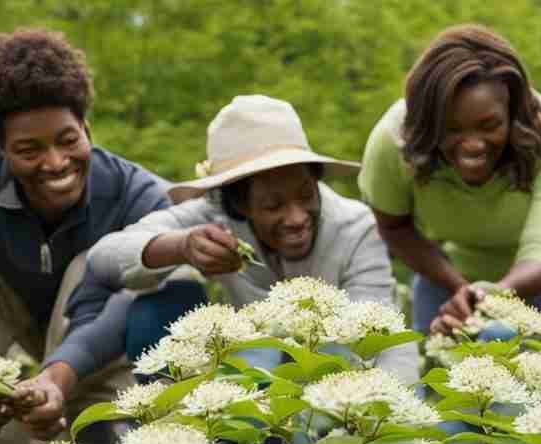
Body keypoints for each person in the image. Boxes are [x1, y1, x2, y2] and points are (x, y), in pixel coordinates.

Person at [0, 29, 201, 444]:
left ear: (87, 129)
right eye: (28, 149)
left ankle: (91, 426)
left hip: (97, 339)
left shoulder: (138, 194)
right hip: (3, 331)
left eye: (68, 140)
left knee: (105, 260)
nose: (55, 163)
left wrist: (57, 378)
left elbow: (123, 307)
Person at [88, 95, 419, 382]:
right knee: (156, 310)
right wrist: (182, 247)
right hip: (246, 383)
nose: (296, 218)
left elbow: (381, 331)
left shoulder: (356, 228)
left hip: (335, 383)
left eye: (306, 195)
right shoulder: (211, 216)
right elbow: (102, 260)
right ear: (238, 204)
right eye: (273, 205)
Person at [358, 24, 541, 335]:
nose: (473, 144)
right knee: (434, 357)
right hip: (449, 263)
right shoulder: (394, 140)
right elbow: (393, 226)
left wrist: (493, 296)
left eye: (489, 125)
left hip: (534, 272)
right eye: (451, 129)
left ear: (512, 113)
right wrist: (459, 288)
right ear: (428, 123)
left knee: (499, 341)